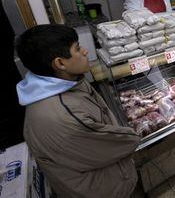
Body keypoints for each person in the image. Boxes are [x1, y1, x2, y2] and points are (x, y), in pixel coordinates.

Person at [15, 24, 141, 198]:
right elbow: (119, 144)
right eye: (78, 48)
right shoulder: (62, 116)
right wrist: (138, 134)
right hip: (102, 190)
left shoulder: (64, 80)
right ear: (60, 63)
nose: (85, 52)